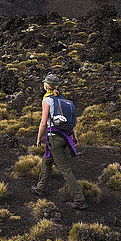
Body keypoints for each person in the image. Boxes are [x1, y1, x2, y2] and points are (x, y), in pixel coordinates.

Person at [31, 73, 88, 210]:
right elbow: (70, 122)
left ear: (46, 86)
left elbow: (44, 122)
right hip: (65, 136)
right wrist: (74, 136)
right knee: (47, 160)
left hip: (54, 138)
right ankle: (40, 188)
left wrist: (39, 137)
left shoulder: (47, 100)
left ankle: (80, 200)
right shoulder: (64, 101)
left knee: (65, 169)